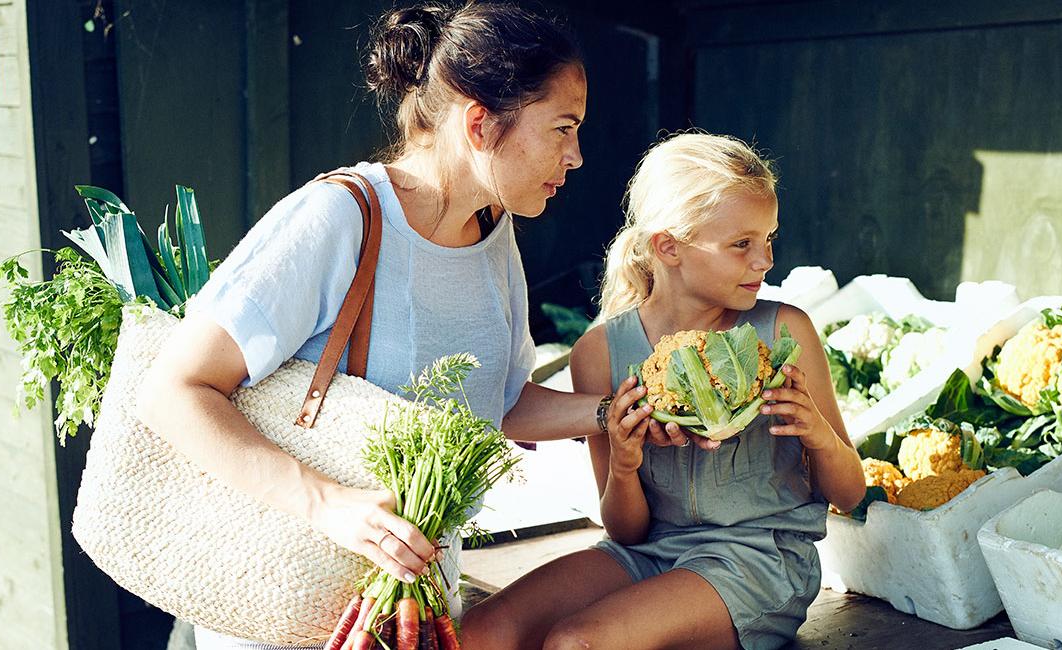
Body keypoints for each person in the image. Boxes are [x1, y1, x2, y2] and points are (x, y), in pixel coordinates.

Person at [135, 3, 677, 648]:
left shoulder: (493, 236)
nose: (578, 156)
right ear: (480, 123)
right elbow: (173, 392)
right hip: (287, 600)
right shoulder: (338, 218)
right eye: (563, 128)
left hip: (414, 609)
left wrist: (614, 412)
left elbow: (492, 407)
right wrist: (329, 504)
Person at [460, 133, 867, 650]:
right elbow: (625, 532)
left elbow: (851, 495)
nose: (764, 260)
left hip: (756, 560)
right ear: (668, 246)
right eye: (741, 244)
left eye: (769, 238)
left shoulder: (785, 330)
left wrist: (819, 437)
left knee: (577, 643)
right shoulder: (601, 352)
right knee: (479, 633)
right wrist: (626, 467)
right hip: (646, 553)